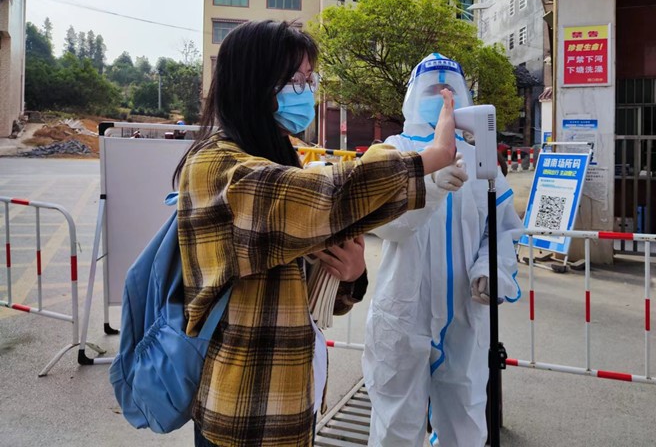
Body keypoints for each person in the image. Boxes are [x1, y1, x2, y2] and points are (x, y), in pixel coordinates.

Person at [172, 22, 458, 447]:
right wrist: (427, 158)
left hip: (290, 401)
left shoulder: (276, 158)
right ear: (254, 82)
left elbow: (306, 290)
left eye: (310, 80)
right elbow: (326, 196)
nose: (306, 92)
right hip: (244, 413)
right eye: (294, 80)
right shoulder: (219, 168)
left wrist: (349, 276)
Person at [362, 53, 522, 447]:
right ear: (413, 95)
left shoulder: (480, 159)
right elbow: (385, 225)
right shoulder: (392, 152)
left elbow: (500, 230)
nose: (441, 97)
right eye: (432, 89)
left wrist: (490, 268)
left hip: (466, 312)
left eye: (450, 89)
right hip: (404, 310)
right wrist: (429, 184)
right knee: (395, 423)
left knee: (465, 419)